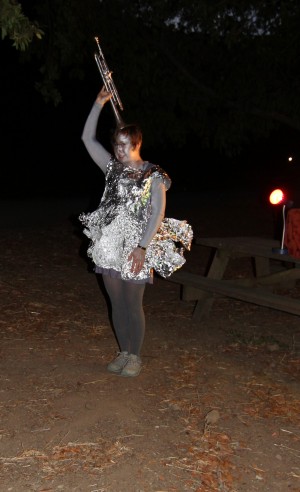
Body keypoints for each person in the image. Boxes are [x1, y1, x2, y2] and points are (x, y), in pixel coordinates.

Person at [79, 86, 193, 378]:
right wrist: (98, 102)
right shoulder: (112, 169)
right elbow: (86, 139)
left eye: (124, 144)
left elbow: (157, 212)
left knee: (133, 303)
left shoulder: (153, 174)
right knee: (116, 303)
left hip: (136, 246)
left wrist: (142, 247)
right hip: (110, 244)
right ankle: (124, 352)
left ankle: (136, 356)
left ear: (137, 143)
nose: (119, 150)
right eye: (116, 144)